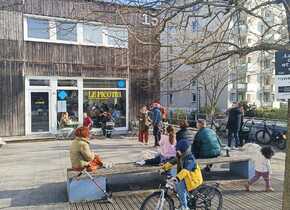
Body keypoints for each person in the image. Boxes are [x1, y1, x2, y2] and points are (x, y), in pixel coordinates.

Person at [162, 139, 203, 210]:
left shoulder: (190, 159)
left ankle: (184, 207)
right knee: (175, 180)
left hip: (193, 179)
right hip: (187, 177)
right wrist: (163, 168)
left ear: (184, 150)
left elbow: (185, 170)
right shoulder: (180, 156)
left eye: (178, 150)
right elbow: (172, 162)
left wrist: (177, 178)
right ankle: (184, 199)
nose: (176, 151)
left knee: (180, 186)